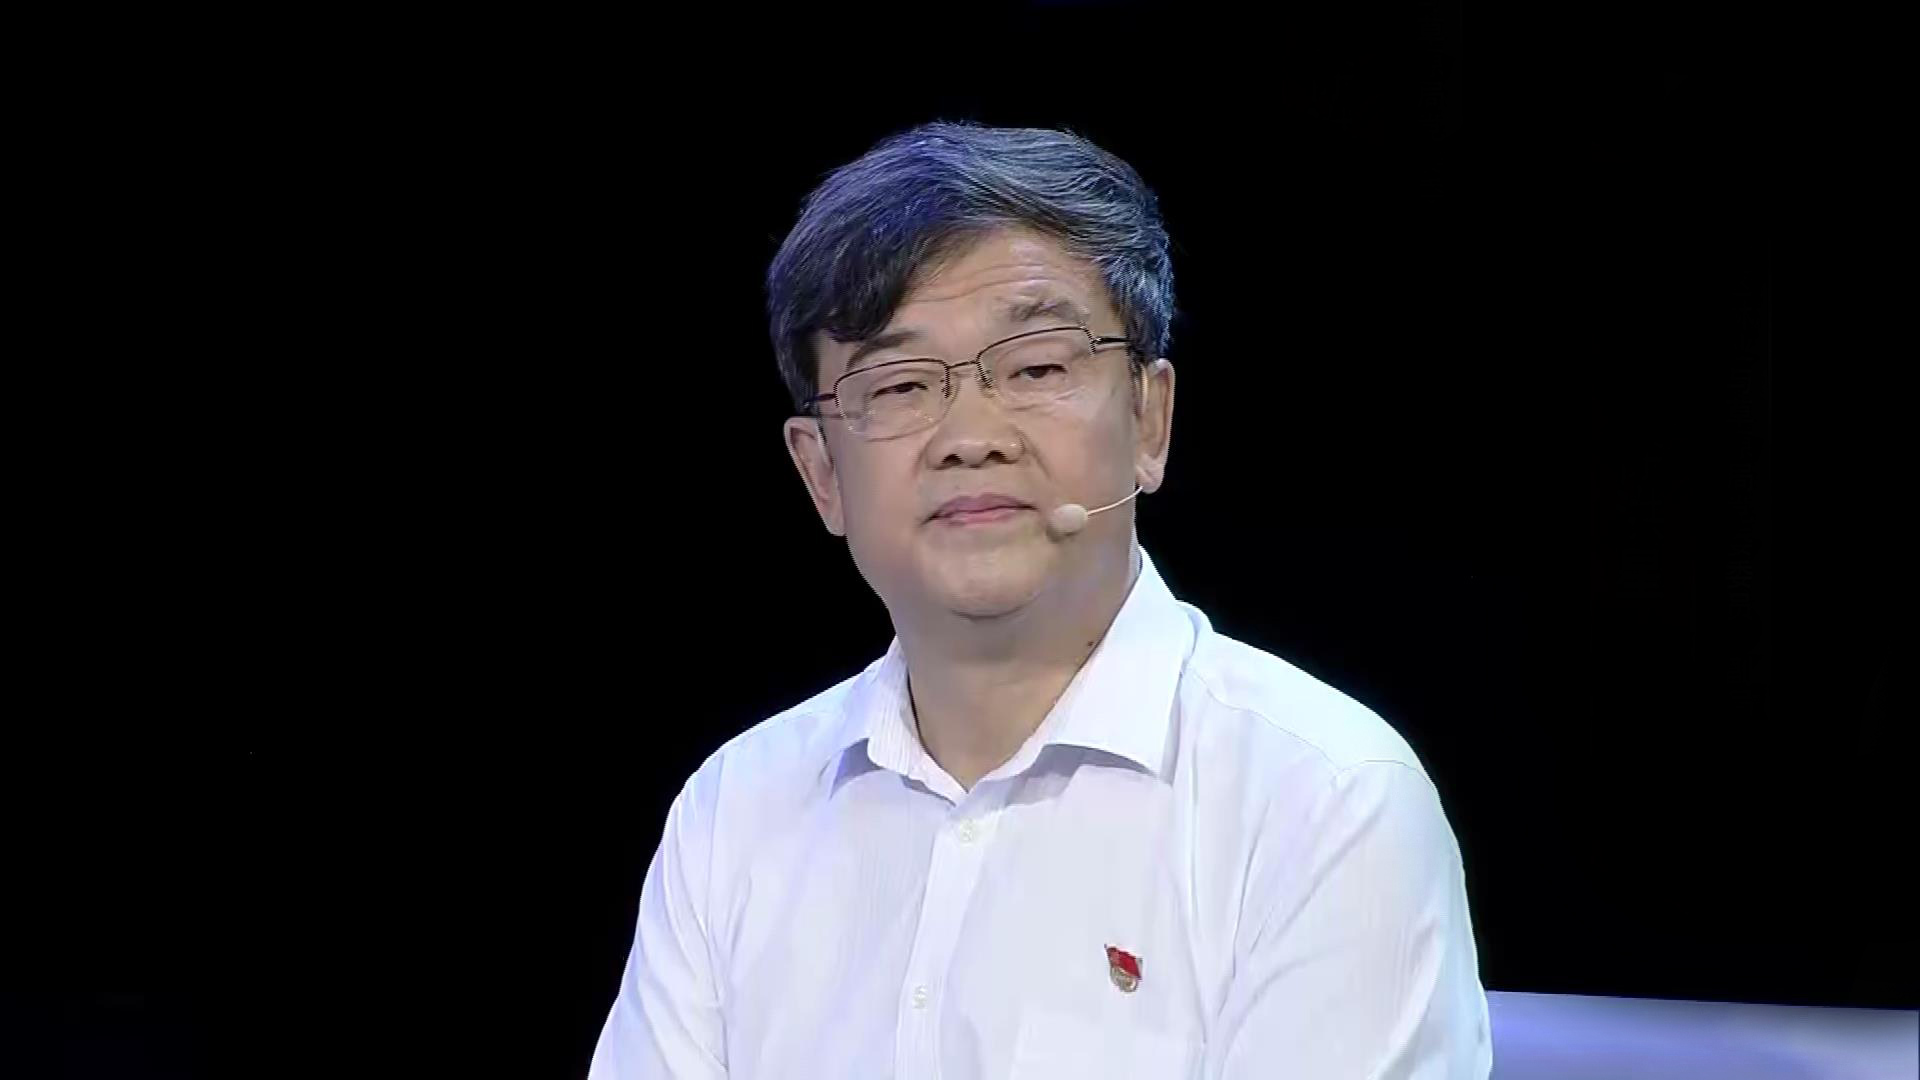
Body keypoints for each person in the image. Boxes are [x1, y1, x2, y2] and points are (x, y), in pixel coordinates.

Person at [589, 122, 1492, 1079]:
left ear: (1149, 419)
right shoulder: (735, 811)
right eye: (899, 384)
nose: (970, 435)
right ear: (821, 475)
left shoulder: (1323, 799)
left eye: (1036, 368)